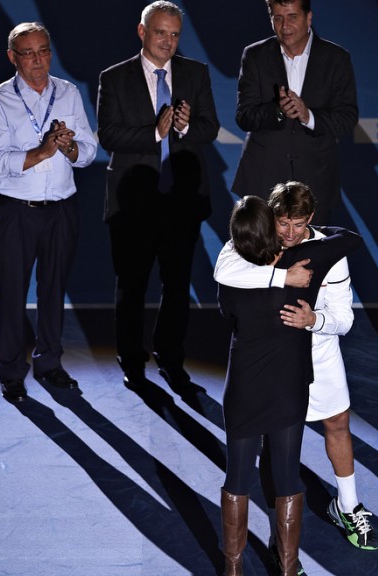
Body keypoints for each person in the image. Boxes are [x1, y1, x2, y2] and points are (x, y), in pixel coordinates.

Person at [214, 181, 378, 552]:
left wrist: (313, 320)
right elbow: (223, 270)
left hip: (318, 352)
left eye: (298, 225)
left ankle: (348, 505)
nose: (289, 234)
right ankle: (282, 547)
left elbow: (344, 319)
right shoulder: (253, 241)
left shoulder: (330, 253)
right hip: (275, 360)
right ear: (272, 216)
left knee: (337, 423)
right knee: (279, 449)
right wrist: (281, 276)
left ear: (311, 220)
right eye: (283, 223)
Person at [96, 1, 219, 393]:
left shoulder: (195, 73)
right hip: (133, 201)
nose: (168, 42)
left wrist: (185, 127)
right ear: (142, 31)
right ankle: (132, 360)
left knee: (178, 283)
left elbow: (210, 127)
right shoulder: (114, 77)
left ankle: (170, 358)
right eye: (161, 32)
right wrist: (156, 132)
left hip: (180, 200)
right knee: (132, 286)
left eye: (175, 34)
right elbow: (109, 135)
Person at [0, 22, 97, 402]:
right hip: (16, 212)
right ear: (12, 57)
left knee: (53, 291)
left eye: (44, 51)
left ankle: (49, 364)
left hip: (62, 208)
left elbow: (90, 150)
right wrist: (43, 151)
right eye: (28, 53)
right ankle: (12, 372)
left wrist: (69, 149)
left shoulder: (67, 93)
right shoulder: (0, 101)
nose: (38, 61)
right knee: (13, 294)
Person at [232, 0, 358, 226]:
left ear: (308, 17)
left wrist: (308, 116)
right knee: (260, 258)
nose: (285, 26)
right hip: (263, 178)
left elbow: (347, 118)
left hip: (315, 180)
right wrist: (278, 112)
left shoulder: (336, 58)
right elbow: (244, 115)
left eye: (292, 17)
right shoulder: (255, 55)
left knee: (309, 258)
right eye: (277, 18)